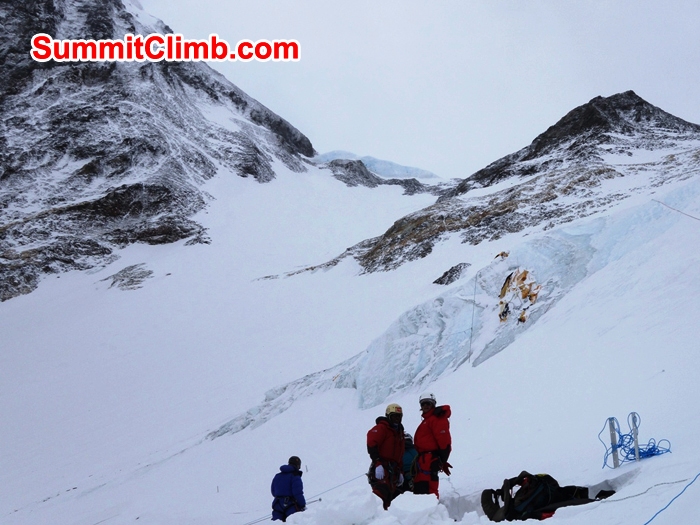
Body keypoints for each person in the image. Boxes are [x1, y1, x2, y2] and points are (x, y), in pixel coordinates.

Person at [413, 392, 452, 498]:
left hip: (429, 460)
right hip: (424, 460)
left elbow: (444, 441)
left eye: (427, 403)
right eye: (423, 404)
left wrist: (442, 460)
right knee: (421, 488)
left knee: (428, 488)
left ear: (433, 405)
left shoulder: (436, 419)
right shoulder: (429, 419)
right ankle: (426, 511)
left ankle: (432, 512)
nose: (425, 406)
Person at [367, 403, 406, 509]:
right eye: (394, 416)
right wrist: (378, 463)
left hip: (394, 470)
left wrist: (400, 471)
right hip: (383, 467)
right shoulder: (382, 428)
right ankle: (372, 516)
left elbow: (400, 453)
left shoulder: (399, 432)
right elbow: (371, 443)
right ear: (388, 416)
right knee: (381, 493)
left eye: (399, 416)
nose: (397, 419)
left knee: (390, 495)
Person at [271, 456, 306, 522]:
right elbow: (298, 493)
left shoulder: (277, 476)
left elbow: (273, 492)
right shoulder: (295, 476)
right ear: (298, 466)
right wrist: (302, 505)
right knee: (293, 522)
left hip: (277, 505)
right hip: (291, 505)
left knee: (276, 523)